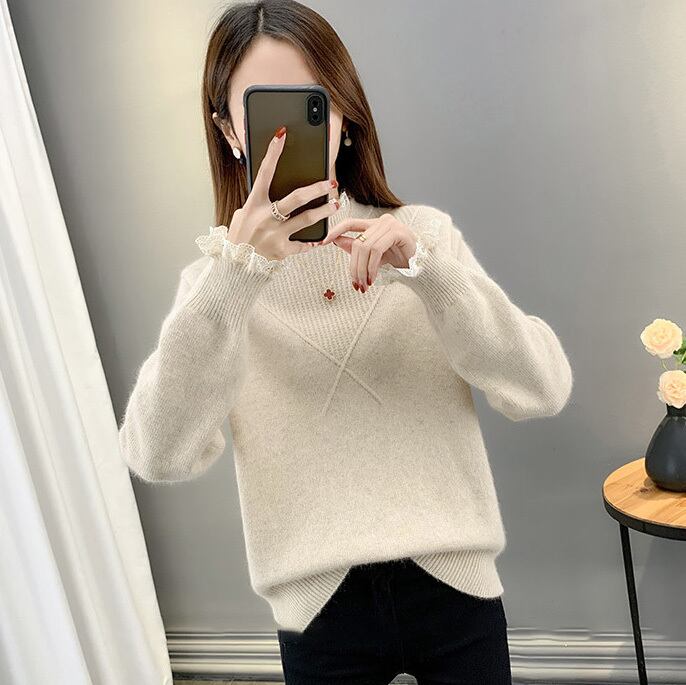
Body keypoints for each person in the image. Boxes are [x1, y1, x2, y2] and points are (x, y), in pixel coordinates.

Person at [118, 1, 574, 683]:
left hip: (455, 582)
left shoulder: (422, 240)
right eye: (265, 111)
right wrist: (234, 279)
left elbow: (543, 388)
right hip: (317, 606)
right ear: (230, 131)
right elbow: (156, 453)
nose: (288, 134)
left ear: (346, 116)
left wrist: (430, 275)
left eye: (312, 105)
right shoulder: (213, 290)